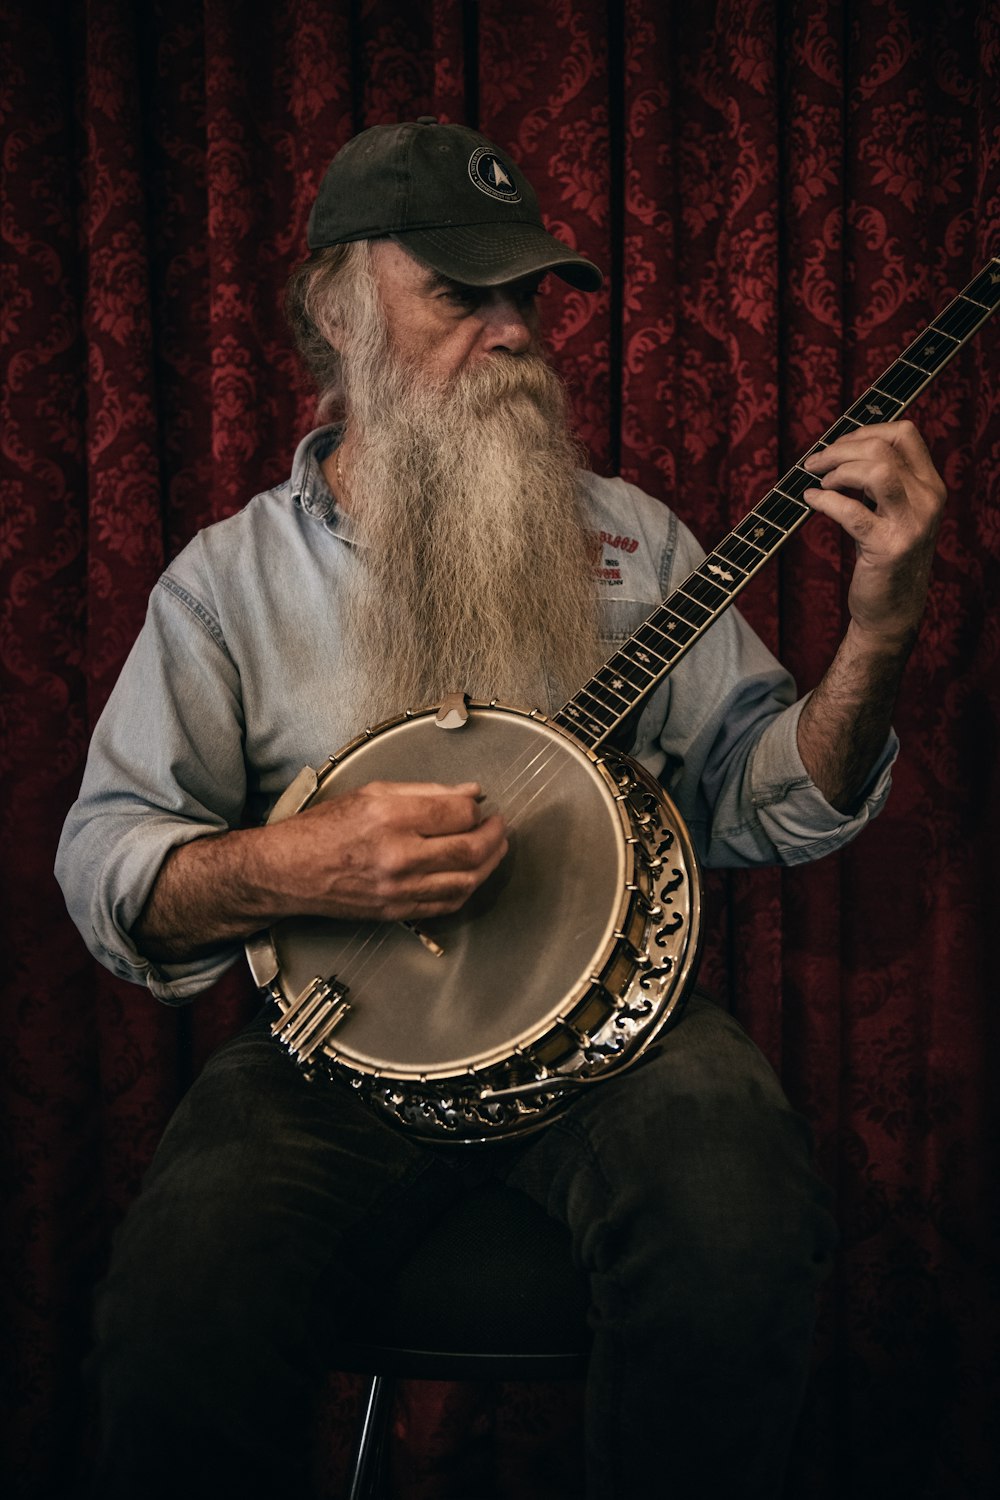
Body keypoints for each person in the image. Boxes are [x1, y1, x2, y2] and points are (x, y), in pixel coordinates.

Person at [56, 119, 945, 1499]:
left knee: (741, 1227)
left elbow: (774, 806)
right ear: (339, 310)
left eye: (526, 295)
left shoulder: (637, 540)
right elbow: (109, 860)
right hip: (335, 1050)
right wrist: (304, 862)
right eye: (462, 294)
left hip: (622, 1034)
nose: (517, 331)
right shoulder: (228, 581)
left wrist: (877, 633)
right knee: (181, 1307)